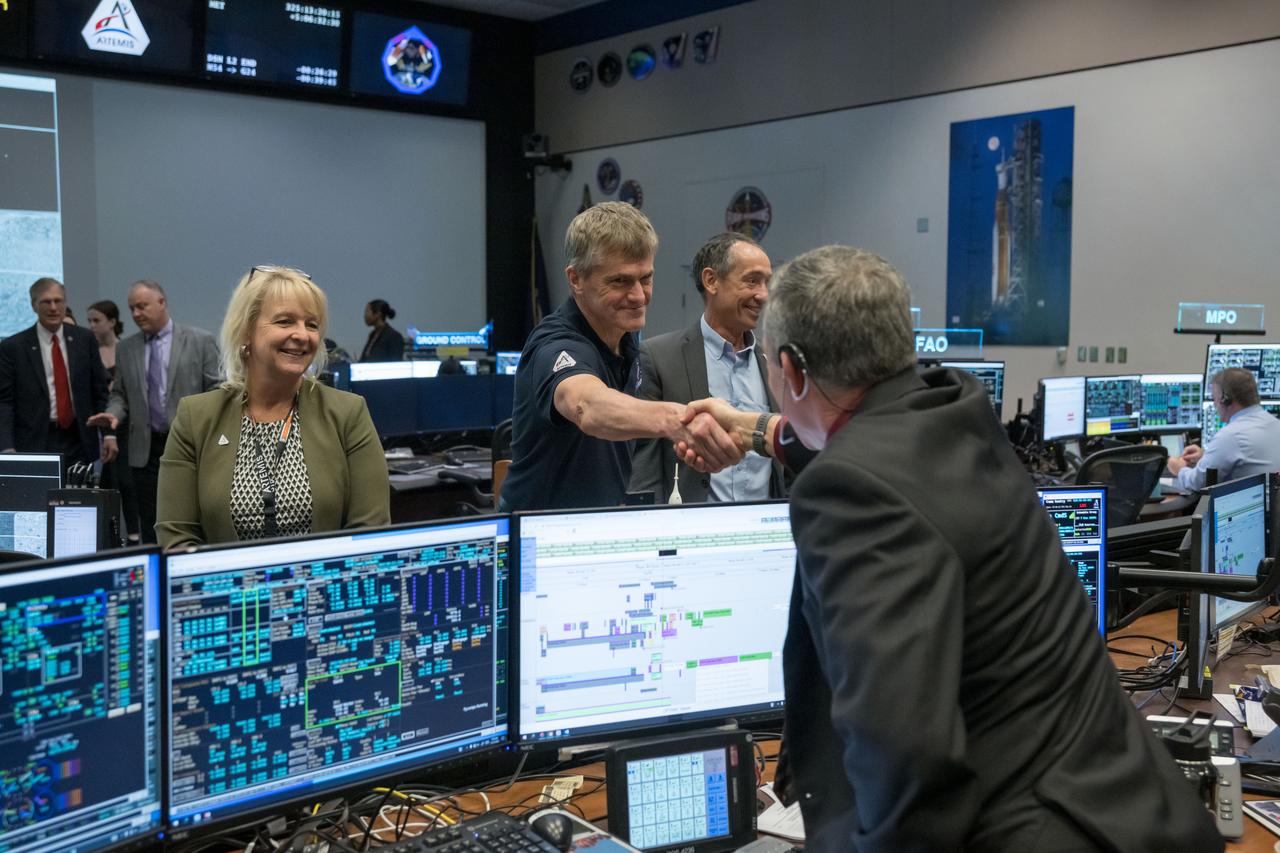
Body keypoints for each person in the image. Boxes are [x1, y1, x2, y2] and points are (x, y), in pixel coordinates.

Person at [680, 246, 1221, 852]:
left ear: (793, 371)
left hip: (1031, 831)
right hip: (1131, 809)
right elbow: (874, 441)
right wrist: (761, 430)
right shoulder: (957, 406)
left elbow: (904, 759)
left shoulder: (847, 492)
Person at [499, 202, 742, 512]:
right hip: (539, 537)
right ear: (576, 279)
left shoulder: (626, 339)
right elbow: (588, 405)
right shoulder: (555, 343)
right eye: (619, 281)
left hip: (599, 523)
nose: (639, 296)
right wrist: (677, 421)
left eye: (646, 278)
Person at [156, 266, 390, 549]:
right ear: (246, 332)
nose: (303, 335)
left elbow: (370, 533)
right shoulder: (196, 418)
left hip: (324, 589)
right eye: (285, 321)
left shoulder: (348, 414)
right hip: (229, 591)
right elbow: (176, 536)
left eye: (312, 324)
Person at [630, 232, 784, 503]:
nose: (763, 295)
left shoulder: (776, 362)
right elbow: (645, 467)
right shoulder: (659, 357)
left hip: (765, 533)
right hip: (694, 534)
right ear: (711, 281)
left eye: (766, 283)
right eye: (752, 281)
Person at [88, 281, 221, 544]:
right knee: (151, 521)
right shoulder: (126, 348)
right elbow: (121, 395)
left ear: (162, 303)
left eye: (142, 306)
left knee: (194, 517)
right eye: (132, 308)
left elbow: (216, 389)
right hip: (145, 451)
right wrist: (113, 415)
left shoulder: (200, 340)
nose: (136, 313)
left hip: (190, 445)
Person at [0, 278, 110, 468]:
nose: (53, 307)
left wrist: (108, 433)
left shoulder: (84, 339)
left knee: (78, 496)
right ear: (34, 305)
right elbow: (5, 401)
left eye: (58, 301)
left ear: (65, 304)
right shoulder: (13, 347)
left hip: (80, 438)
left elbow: (99, 390)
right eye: (46, 301)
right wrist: (6, 446)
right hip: (35, 439)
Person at [1168, 367, 1280, 491]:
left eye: (1214, 399)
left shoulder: (1232, 435)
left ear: (1225, 400)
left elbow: (1197, 483)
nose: (1214, 405)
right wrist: (1204, 457)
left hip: (1245, 508)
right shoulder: (1274, 424)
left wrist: (1178, 469)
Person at [86, 300, 124, 379]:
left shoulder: (126, 349)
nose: (92, 325)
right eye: (89, 321)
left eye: (96, 321)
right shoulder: (88, 352)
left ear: (112, 322)